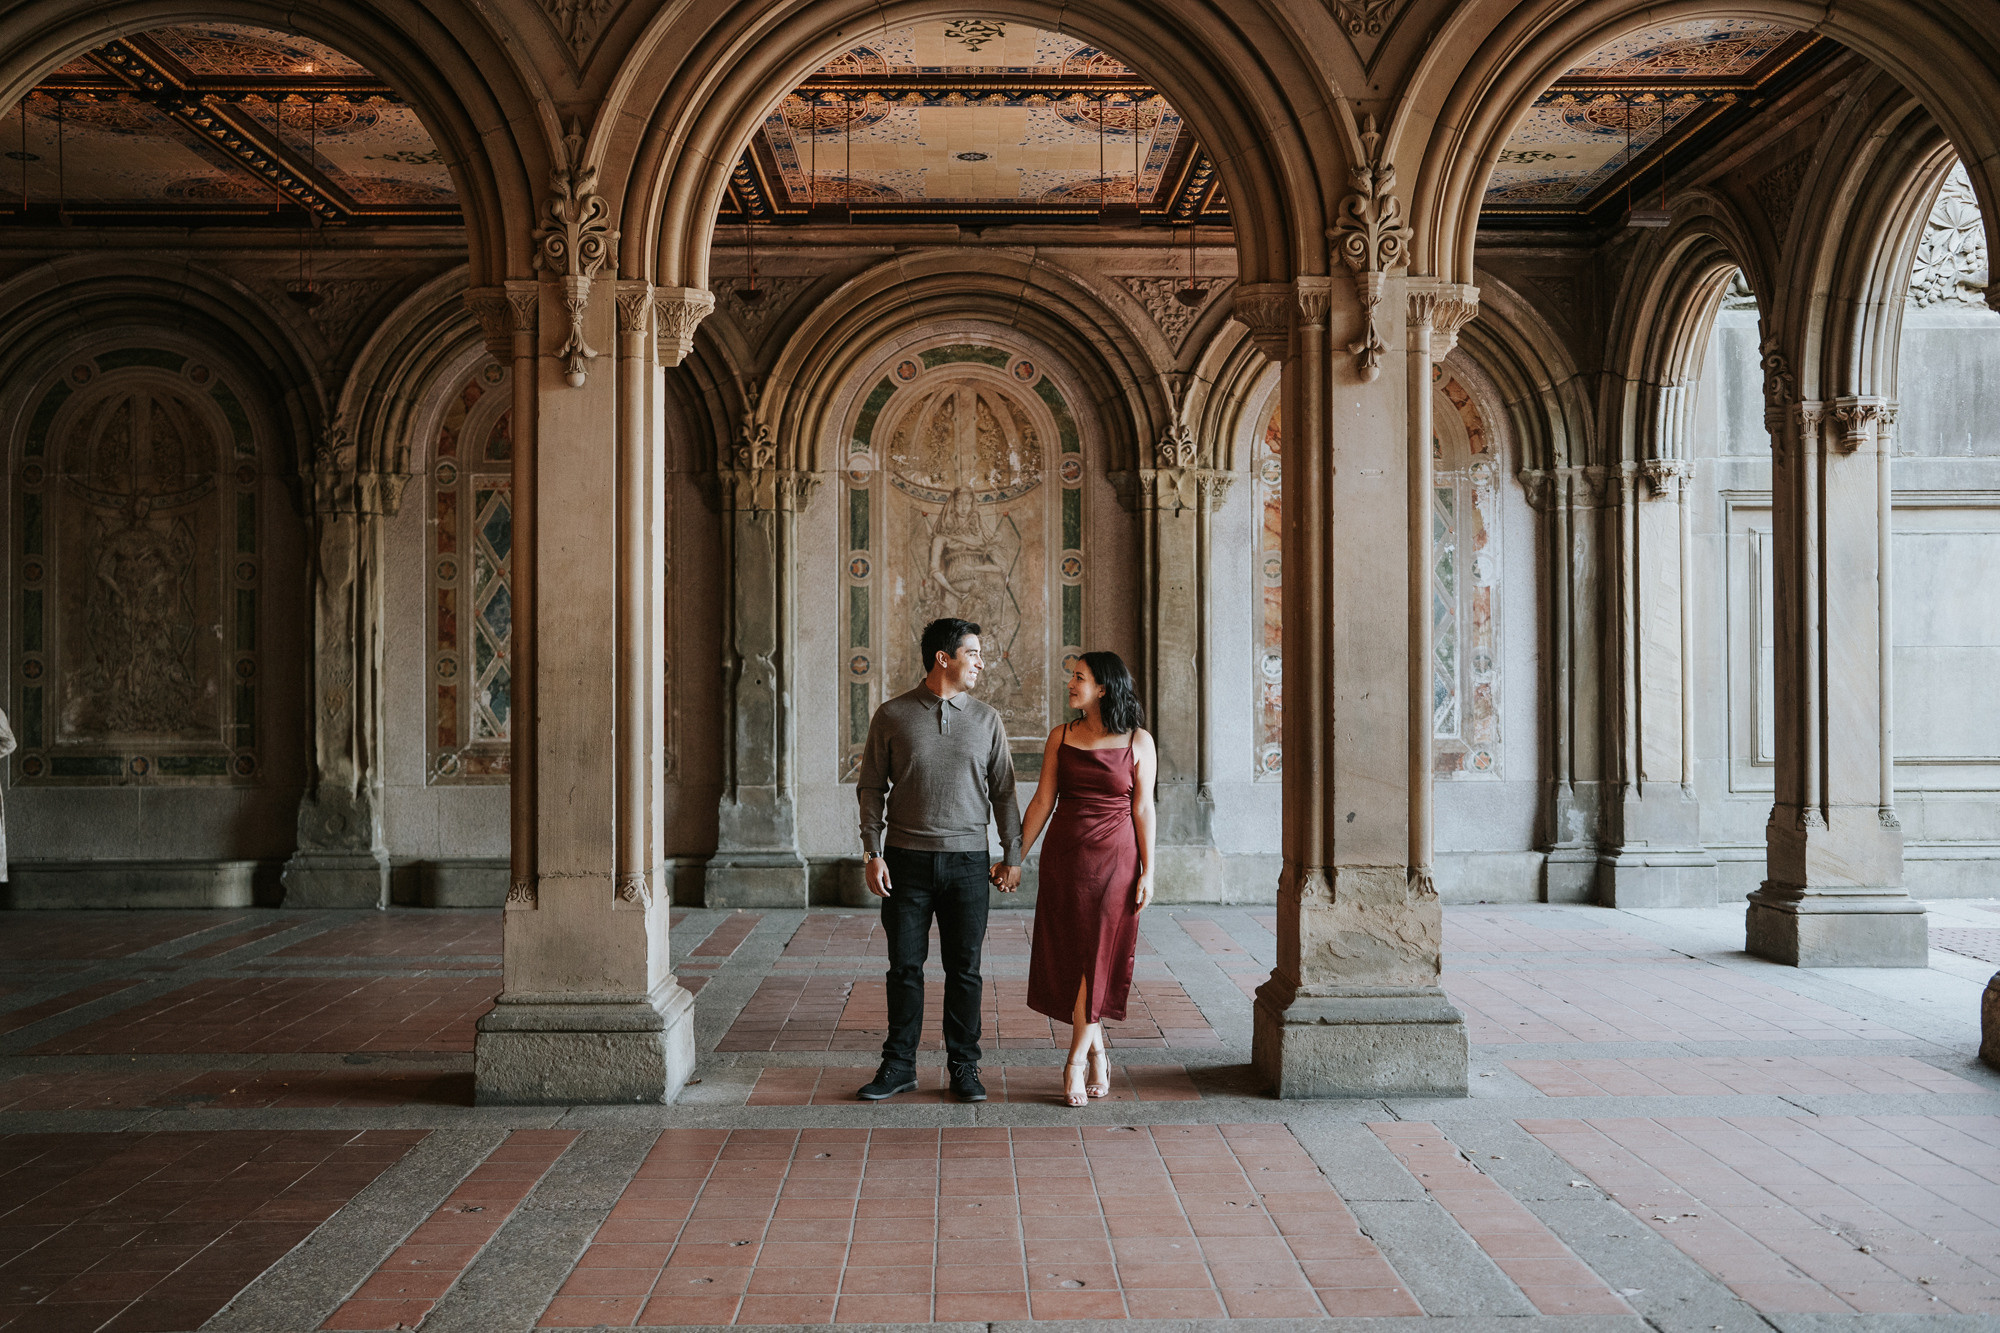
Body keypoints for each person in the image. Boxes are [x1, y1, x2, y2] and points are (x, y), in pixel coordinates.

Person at [855, 617, 1023, 1102]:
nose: (981, 662)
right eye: (973, 653)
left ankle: (964, 1068)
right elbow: (871, 787)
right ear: (943, 658)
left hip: (969, 862)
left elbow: (1005, 792)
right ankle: (898, 1065)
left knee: (964, 970)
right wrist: (872, 851)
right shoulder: (892, 715)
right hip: (905, 861)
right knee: (904, 967)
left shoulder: (988, 719)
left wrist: (1012, 852)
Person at [1017, 651, 1157, 1107]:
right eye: (1072, 677)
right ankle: (1099, 1051)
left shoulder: (1139, 740)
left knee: (1099, 953)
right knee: (1076, 956)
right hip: (1065, 858)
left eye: (1079, 678)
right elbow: (1042, 801)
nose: (1071, 684)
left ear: (1103, 687)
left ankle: (1075, 1060)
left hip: (1117, 858)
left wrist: (1149, 871)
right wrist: (1013, 857)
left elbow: (1143, 809)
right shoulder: (1061, 736)